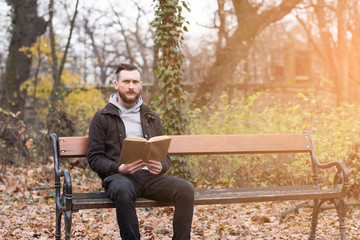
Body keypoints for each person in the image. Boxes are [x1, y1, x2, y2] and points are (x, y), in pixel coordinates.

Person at [87, 63, 194, 240]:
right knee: (122, 190)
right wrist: (118, 168)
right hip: (120, 178)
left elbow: (165, 157)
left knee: (186, 189)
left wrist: (160, 166)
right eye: (126, 81)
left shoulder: (151, 117)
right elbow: (94, 158)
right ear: (116, 84)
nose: (131, 86)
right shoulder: (102, 117)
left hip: (150, 178)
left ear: (141, 85)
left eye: (135, 82)